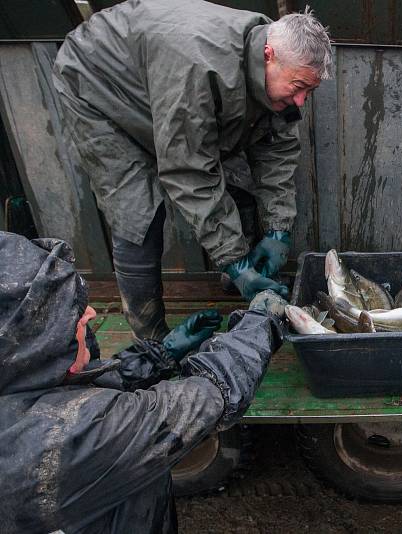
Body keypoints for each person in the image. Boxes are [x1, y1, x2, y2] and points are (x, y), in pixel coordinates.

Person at [52, 0, 332, 343]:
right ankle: (151, 339)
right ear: (269, 55)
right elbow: (189, 171)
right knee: (138, 211)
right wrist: (235, 258)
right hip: (100, 89)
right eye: (299, 86)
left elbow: (278, 148)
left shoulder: (275, 70)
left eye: (310, 91)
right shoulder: (197, 66)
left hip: (167, 89)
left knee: (237, 179)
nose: (302, 101)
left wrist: (278, 229)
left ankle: (239, 277)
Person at [0, 231, 283, 532]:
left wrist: (162, 354)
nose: (91, 313)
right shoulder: (66, 438)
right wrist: (260, 323)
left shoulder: (18, 392)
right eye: (71, 314)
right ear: (35, 341)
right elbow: (210, 396)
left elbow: (77, 396)